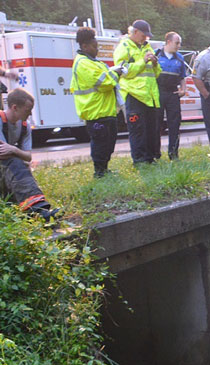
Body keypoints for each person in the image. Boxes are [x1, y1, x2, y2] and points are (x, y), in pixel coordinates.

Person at [72, 26, 124, 178]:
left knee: (109, 143)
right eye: (95, 46)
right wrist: (117, 73)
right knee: (100, 143)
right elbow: (104, 83)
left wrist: (113, 73)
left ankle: (104, 169)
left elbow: (106, 77)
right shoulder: (83, 63)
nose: (97, 49)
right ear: (84, 46)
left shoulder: (94, 62)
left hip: (106, 110)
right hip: (95, 111)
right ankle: (99, 172)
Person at [0, 89, 58, 221]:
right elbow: (2, 154)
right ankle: (38, 210)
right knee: (15, 162)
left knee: (19, 163)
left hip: (6, 176)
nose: (30, 113)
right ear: (15, 107)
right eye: (28, 109)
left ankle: (36, 210)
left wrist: (13, 150)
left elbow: (28, 157)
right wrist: (17, 153)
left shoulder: (25, 126)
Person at [114, 19, 162, 166]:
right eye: (143, 34)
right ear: (135, 32)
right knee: (137, 130)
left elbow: (157, 73)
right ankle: (139, 160)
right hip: (133, 95)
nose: (145, 38)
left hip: (149, 96)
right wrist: (143, 61)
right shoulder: (123, 47)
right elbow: (124, 71)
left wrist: (154, 63)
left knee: (151, 129)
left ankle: (151, 158)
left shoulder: (148, 47)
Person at [156, 32, 188, 160]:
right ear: (168, 42)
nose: (179, 46)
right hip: (158, 93)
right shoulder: (156, 54)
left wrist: (183, 89)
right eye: (177, 43)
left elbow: (182, 77)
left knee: (175, 124)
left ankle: (173, 154)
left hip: (173, 93)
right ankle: (155, 154)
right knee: (156, 125)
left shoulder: (180, 58)